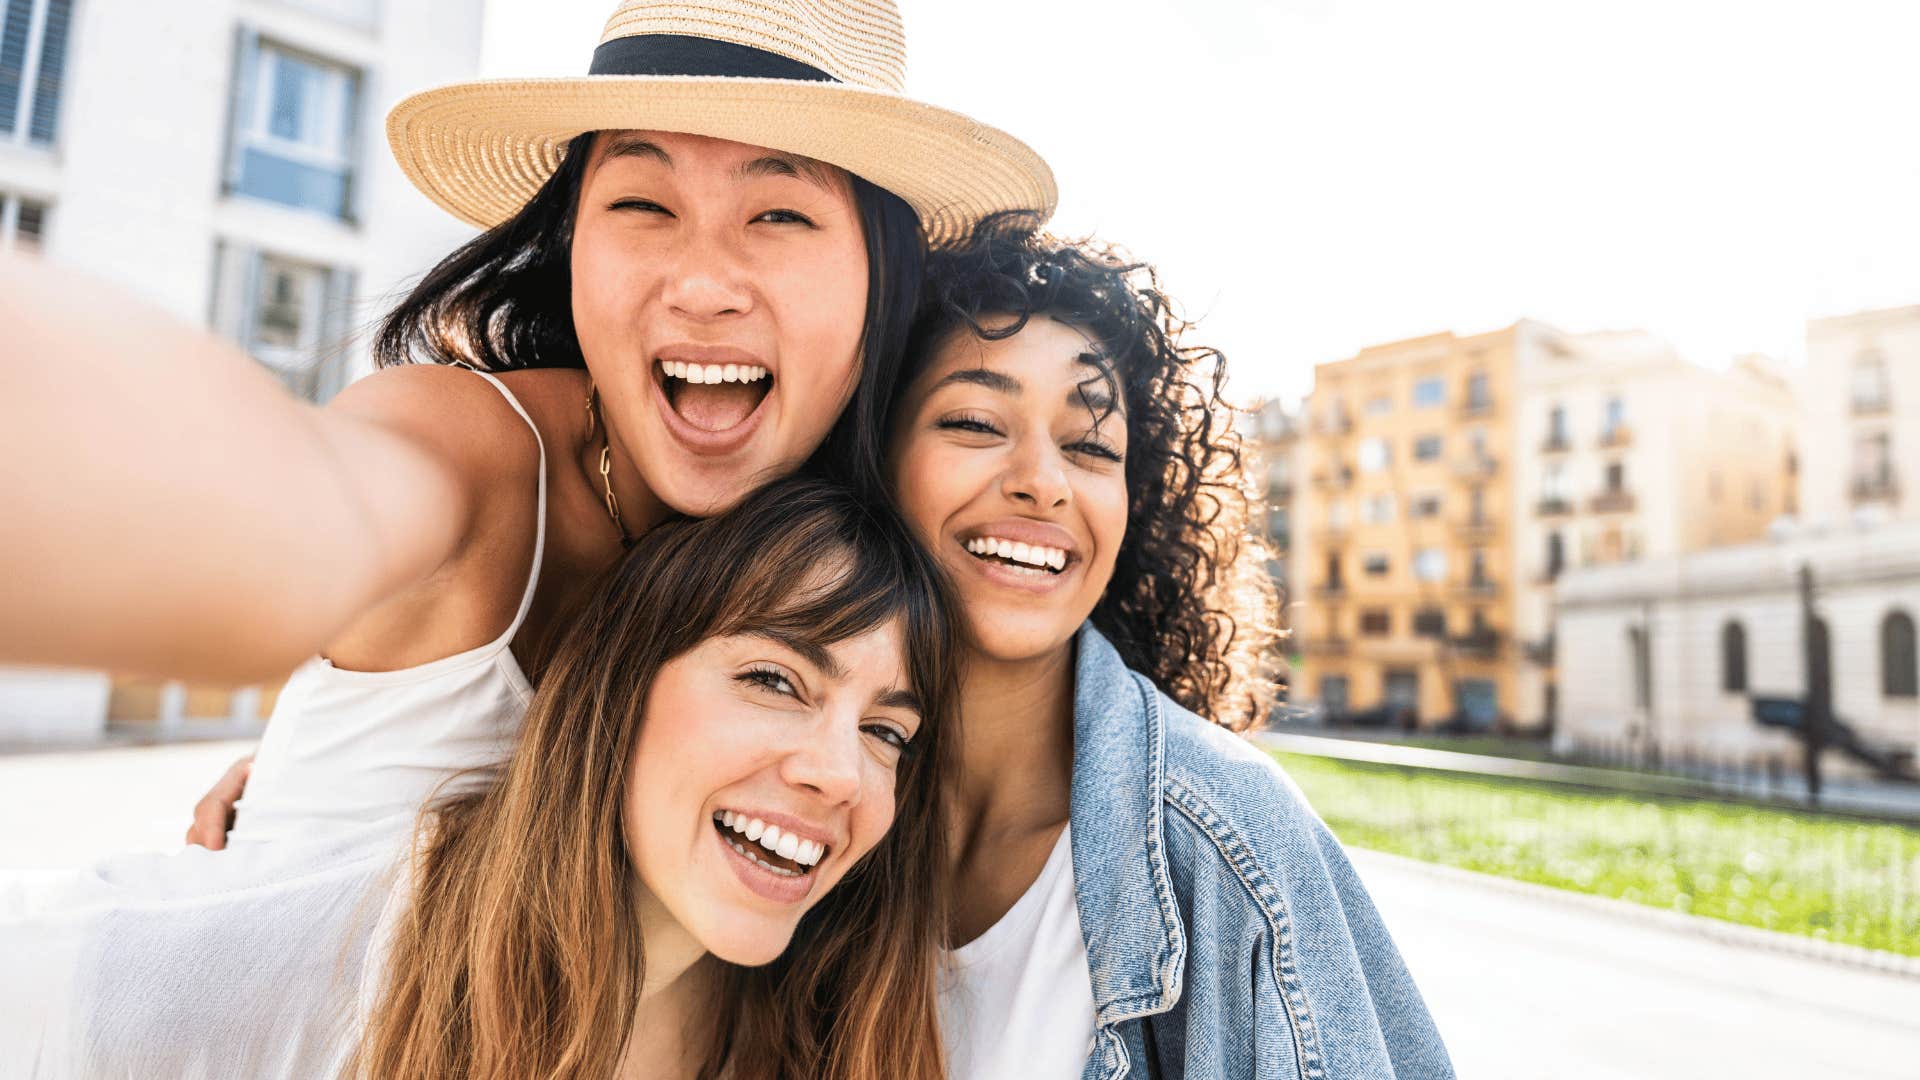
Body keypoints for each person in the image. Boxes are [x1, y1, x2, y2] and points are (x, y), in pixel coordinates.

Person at [0, 0, 1052, 845]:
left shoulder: (860, 543)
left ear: (884, 276)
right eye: (642, 204)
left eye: (779, 213)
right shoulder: (474, 453)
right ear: (570, 244)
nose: (700, 283)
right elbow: (291, 513)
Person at [1, 478, 960, 1080]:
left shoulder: (826, 1034)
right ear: (613, 690)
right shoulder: (317, 959)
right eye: (774, 680)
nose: (841, 774)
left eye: (886, 731)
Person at [888, 216, 1456, 1078]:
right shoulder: (802, 800)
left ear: (1135, 504)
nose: (1043, 481)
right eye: (974, 421)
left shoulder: (1233, 846)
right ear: (874, 457)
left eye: (1090, 446)